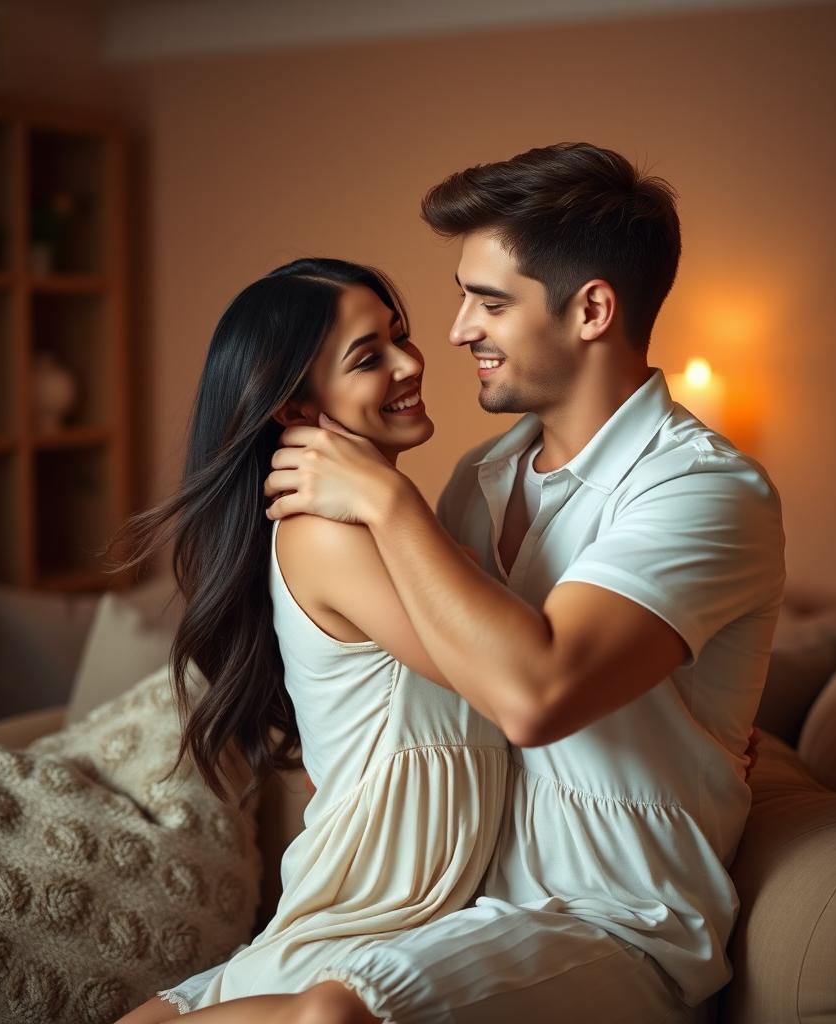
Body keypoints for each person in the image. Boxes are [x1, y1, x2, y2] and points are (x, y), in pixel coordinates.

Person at [263, 143, 787, 1023]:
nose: (459, 328)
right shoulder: (482, 475)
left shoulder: (705, 491)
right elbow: (442, 671)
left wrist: (390, 503)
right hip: (447, 905)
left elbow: (534, 695)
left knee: (335, 1015)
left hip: (609, 927)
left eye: (490, 301)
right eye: (464, 295)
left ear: (591, 309)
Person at [114, 259, 508, 1024]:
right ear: (294, 405)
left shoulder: (400, 525)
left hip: (406, 917)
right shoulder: (324, 534)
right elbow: (499, 674)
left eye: (400, 337)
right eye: (369, 357)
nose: (409, 363)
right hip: (366, 909)